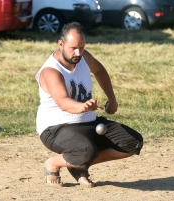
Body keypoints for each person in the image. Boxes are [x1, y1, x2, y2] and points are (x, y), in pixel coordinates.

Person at [35, 22, 143, 188]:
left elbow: (99, 71)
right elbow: (63, 102)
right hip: (56, 128)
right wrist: (82, 107)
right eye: (73, 48)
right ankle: (54, 164)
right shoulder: (51, 71)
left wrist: (112, 99)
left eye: (82, 47)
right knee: (86, 150)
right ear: (61, 44)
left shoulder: (83, 57)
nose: (78, 53)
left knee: (133, 142)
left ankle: (78, 163)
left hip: (88, 123)